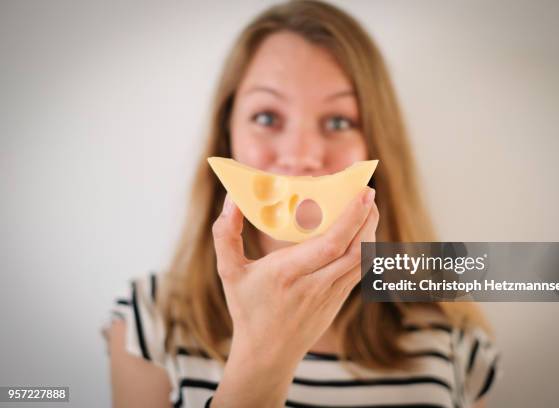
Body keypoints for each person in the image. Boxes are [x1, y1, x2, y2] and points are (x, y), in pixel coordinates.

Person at [101, 1, 500, 407]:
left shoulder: (452, 338)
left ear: (375, 143)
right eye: (267, 117)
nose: (301, 154)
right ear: (227, 136)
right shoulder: (149, 319)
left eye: (339, 121)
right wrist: (264, 358)